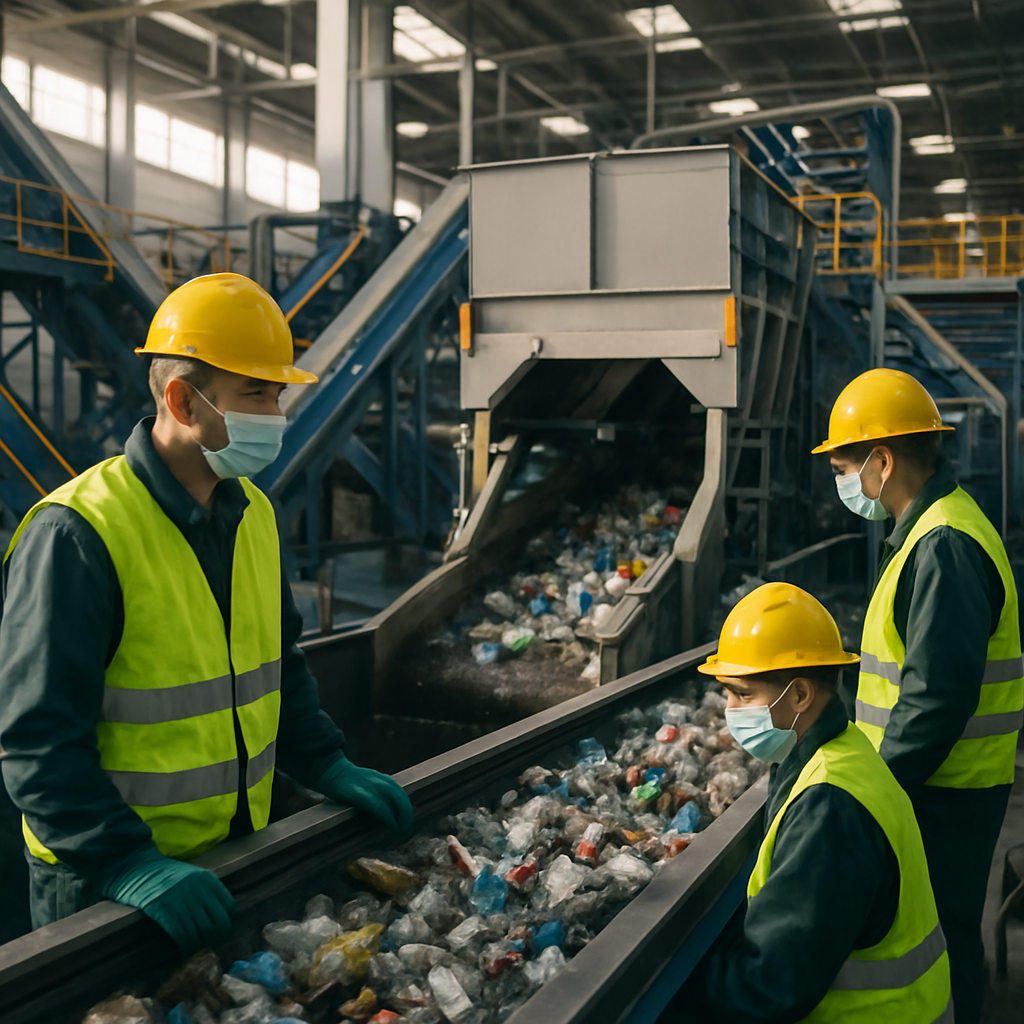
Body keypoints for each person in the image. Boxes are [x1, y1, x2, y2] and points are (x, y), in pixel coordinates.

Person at [0, 273, 413, 952]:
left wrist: (325, 763)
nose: (275, 415)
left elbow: (279, 662)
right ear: (181, 400)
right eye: (255, 393)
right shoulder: (78, 534)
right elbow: (37, 742)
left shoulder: (253, 513)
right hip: (105, 885)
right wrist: (123, 862)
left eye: (277, 394)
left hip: (230, 858)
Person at [815, 366, 1023, 1024]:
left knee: (940, 936)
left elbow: (935, 701)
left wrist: (868, 793)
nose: (841, 482)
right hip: (941, 786)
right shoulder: (934, 531)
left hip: (941, 792)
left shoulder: (944, 548)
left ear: (882, 459)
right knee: (942, 929)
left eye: (843, 466)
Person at [692, 582, 951, 1023]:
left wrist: (684, 985)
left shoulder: (829, 806)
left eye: (742, 694)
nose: (729, 710)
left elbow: (768, 986)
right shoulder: (844, 751)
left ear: (798, 695)